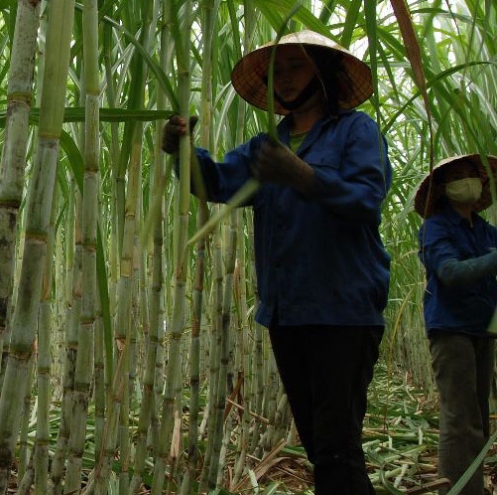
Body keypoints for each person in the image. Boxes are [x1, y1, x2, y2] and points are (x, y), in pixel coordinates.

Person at [162, 30, 391, 494]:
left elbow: (367, 201)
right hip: (287, 312)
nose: (285, 79)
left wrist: (304, 176)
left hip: (342, 309)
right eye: (277, 72)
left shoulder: (355, 131)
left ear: (323, 73)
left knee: (337, 444)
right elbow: (215, 184)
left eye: (296, 67)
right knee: (318, 443)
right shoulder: (266, 146)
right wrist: (180, 149)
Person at [415, 154, 497, 495]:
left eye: (470, 174)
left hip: (482, 328)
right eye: (457, 176)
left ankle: (472, 487)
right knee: (459, 419)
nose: (466, 180)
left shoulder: (487, 232)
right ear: (443, 189)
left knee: (477, 415)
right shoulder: (435, 228)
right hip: (451, 329)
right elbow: (450, 272)